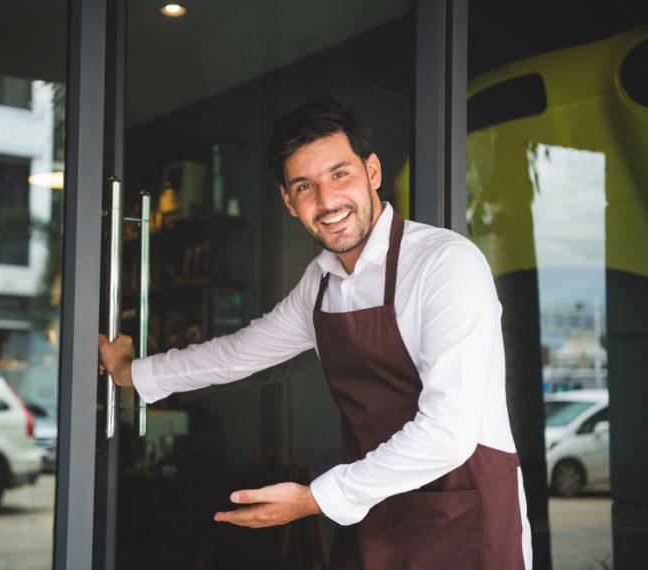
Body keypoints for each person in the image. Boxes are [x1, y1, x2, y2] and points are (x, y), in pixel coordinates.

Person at [99, 97, 531, 569]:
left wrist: (313, 500)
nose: (327, 202)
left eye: (339, 174)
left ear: (373, 172)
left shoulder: (446, 263)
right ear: (288, 201)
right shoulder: (321, 283)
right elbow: (238, 353)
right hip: (371, 513)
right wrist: (132, 373)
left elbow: (449, 432)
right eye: (305, 186)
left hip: (462, 515)